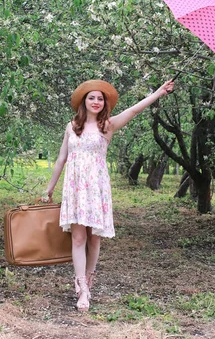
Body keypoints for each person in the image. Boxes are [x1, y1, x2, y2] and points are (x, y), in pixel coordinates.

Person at [44, 79, 175, 312]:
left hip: (96, 189)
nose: (96, 101)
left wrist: (159, 92)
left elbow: (135, 109)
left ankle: (89, 279)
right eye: (92, 97)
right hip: (75, 188)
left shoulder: (108, 125)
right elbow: (61, 158)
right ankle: (81, 287)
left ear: (105, 103)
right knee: (77, 239)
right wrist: (50, 188)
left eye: (100, 98)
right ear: (84, 101)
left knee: (95, 238)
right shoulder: (71, 126)